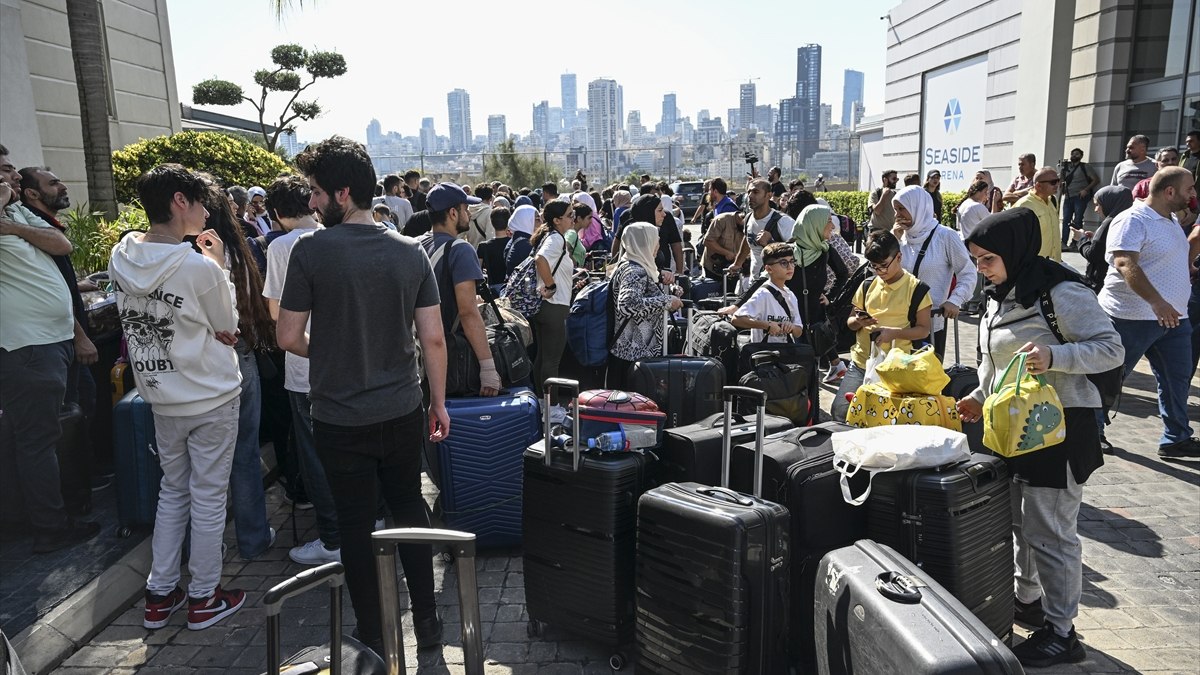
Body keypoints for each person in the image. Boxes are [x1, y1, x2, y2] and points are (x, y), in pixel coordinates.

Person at [276, 136, 448, 654]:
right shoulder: (409, 251)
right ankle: (430, 626)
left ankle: (372, 632)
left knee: (355, 524)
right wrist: (438, 402)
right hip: (401, 408)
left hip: (337, 417)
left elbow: (286, 336)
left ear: (342, 193)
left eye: (314, 192)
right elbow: (433, 337)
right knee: (409, 511)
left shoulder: (310, 252)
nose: (310, 203)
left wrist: (331, 355)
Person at [956, 209, 1124, 669]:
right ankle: (1028, 599)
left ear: (1015, 251)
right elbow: (997, 365)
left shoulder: (1063, 292)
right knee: (1019, 523)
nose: (980, 269)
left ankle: (1062, 632)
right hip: (1013, 431)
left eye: (988, 259)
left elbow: (1112, 349)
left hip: (1062, 430)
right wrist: (976, 394)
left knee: (1051, 532)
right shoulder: (999, 294)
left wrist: (1056, 355)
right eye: (975, 259)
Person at [108, 164, 246, 630]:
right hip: (209, 393)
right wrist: (220, 268)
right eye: (201, 200)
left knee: (173, 491)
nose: (208, 210)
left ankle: (159, 594)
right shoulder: (197, 266)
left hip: (160, 394)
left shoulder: (121, 254)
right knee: (207, 497)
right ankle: (204, 597)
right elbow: (229, 326)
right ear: (180, 202)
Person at [0, 145, 101, 552]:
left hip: (53, 340)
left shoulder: (15, 216)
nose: (12, 177)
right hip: (27, 347)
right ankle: (49, 527)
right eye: (4, 170)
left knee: (44, 436)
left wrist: (15, 225)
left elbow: (61, 246)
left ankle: (45, 513)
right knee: (36, 440)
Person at [259, 175, 342, 566]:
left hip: (304, 366)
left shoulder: (281, 247)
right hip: (345, 362)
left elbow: (277, 314)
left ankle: (332, 537)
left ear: (276, 213)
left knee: (315, 454)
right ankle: (368, 519)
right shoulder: (335, 237)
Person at [1098, 166, 1198, 459]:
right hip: (1130, 318)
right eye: (1189, 189)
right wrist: (1157, 302)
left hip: (1175, 319)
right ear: (1170, 192)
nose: (1193, 194)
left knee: (1177, 380)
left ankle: (1176, 438)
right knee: (1109, 379)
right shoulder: (1132, 219)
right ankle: (1091, 433)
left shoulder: (1170, 219)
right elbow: (1125, 264)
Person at [18, 166, 105, 500]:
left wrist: (85, 283)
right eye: (52, 182)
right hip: (55, 340)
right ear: (32, 194)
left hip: (63, 337)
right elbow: (48, 292)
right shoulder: (27, 229)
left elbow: (61, 279)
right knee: (66, 418)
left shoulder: (42, 226)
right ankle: (70, 495)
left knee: (84, 405)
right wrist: (79, 335)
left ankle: (84, 478)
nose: (63, 185)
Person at [831, 231, 933, 421]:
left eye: (884, 266)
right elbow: (850, 323)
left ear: (899, 257)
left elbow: (924, 329)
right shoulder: (867, 285)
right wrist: (859, 321)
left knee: (887, 419)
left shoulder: (917, 289)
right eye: (874, 267)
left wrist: (894, 334)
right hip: (861, 362)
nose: (880, 272)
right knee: (841, 410)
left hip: (898, 368)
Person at [417, 182, 501, 398]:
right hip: (450, 357)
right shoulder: (461, 250)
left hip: (418, 358)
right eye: (465, 209)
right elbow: (467, 312)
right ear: (453, 213)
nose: (469, 214)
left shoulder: (416, 244)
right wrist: (488, 368)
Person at [892, 185, 977, 360]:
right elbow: (884, 275)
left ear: (918, 207)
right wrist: (892, 241)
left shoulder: (945, 236)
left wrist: (955, 300)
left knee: (925, 381)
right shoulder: (900, 238)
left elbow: (968, 272)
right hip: (897, 323)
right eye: (895, 210)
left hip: (931, 323)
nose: (897, 215)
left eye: (902, 209)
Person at [606, 223, 683, 389]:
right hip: (634, 354)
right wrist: (667, 301)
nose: (658, 246)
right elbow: (627, 304)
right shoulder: (635, 271)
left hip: (628, 351)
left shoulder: (629, 265)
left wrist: (669, 293)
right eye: (655, 240)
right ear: (644, 242)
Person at [528, 200, 577, 418]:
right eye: (569, 215)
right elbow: (541, 260)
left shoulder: (550, 236)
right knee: (552, 360)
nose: (572, 218)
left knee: (543, 357)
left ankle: (543, 402)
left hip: (547, 306)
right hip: (553, 306)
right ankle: (553, 408)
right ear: (557, 220)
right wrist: (552, 285)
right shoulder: (556, 239)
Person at [732, 241, 806, 344]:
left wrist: (792, 327)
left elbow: (798, 332)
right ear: (769, 269)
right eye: (783, 263)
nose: (790, 267)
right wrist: (767, 325)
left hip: (786, 354)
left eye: (792, 261)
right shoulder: (763, 294)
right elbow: (736, 319)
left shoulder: (791, 295)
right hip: (764, 355)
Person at [1071, 186, 1133, 290]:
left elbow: (1093, 254)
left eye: (1098, 205)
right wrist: (1095, 237)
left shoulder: (1110, 222)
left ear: (1110, 202)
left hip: (1101, 281)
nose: (1096, 209)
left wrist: (1081, 239)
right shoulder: (1130, 221)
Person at [738, 179, 797, 280]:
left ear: (769, 195)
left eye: (756, 192)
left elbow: (798, 252)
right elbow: (747, 240)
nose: (750, 196)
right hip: (755, 282)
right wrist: (737, 263)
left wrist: (771, 243)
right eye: (749, 192)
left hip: (776, 286)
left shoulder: (783, 221)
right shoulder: (748, 218)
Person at [1015, 167, 1064, 261]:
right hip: (1034, 265)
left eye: (1058, 181)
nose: (1057, 185)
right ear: (1038, 186)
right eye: (1053, 182)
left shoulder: (1053, 201)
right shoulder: (1024, 205)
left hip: (1054, 263)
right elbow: (1017, 237)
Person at [1058, 148, 1100, 249]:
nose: (1074, 156)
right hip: (1068, 196)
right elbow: (1061, 182)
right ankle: (1063, 243)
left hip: (1079, 197)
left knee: (1078, 219)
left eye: (1077, 154)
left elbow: (1095, 180)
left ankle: (1076, 242)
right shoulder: (1066, 168)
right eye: (1072, 154)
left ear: (1081, 156)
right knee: (1066, 220)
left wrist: (1085, 190)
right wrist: (1061, 172)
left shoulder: (1085, 167)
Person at [478, 205, 511, 292]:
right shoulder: (513, 244)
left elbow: (478, 272)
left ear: (492, 223)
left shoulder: (483, 246)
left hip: (493, 289)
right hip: (509, 287)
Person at [504, 204, 537, 277]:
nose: (541, 222)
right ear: (526, 221)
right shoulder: (525, 245)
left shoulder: (515, 239)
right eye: (537, 220)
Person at [867, 170, 899, 235]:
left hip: (891, 232)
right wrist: (884, 195)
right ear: (885, 180)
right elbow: (877, 211)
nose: (896, 181)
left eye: (897, 179)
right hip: (876, 232)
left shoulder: (895, 194)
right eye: (894, 179)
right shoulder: (875, 193)